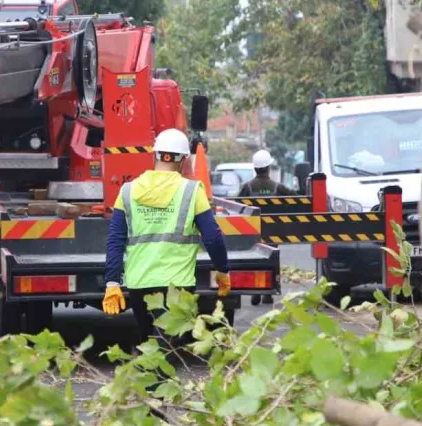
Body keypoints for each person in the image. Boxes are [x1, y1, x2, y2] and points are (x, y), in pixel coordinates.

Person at [102, 129, 231, 345]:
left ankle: (153, 378)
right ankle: (159, 379)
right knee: (167, 347)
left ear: (155, 155)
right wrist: (222, 270)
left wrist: (112, 282)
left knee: (150, 344)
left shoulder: (127, 191)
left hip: (139, 284)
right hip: (178, 286)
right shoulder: (191, 191)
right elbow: (212, 237)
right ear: (183, 160)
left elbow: (115, 240)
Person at [238, 149, 292, 305]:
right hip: (273, 231)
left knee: (255, 259)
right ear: (269, 167)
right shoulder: (278, 187)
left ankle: (255, 291)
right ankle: (268, 292)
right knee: (272, 259)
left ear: (255, 168)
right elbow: (294, 199)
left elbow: (236, 205)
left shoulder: (247, 187)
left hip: (253, 231)